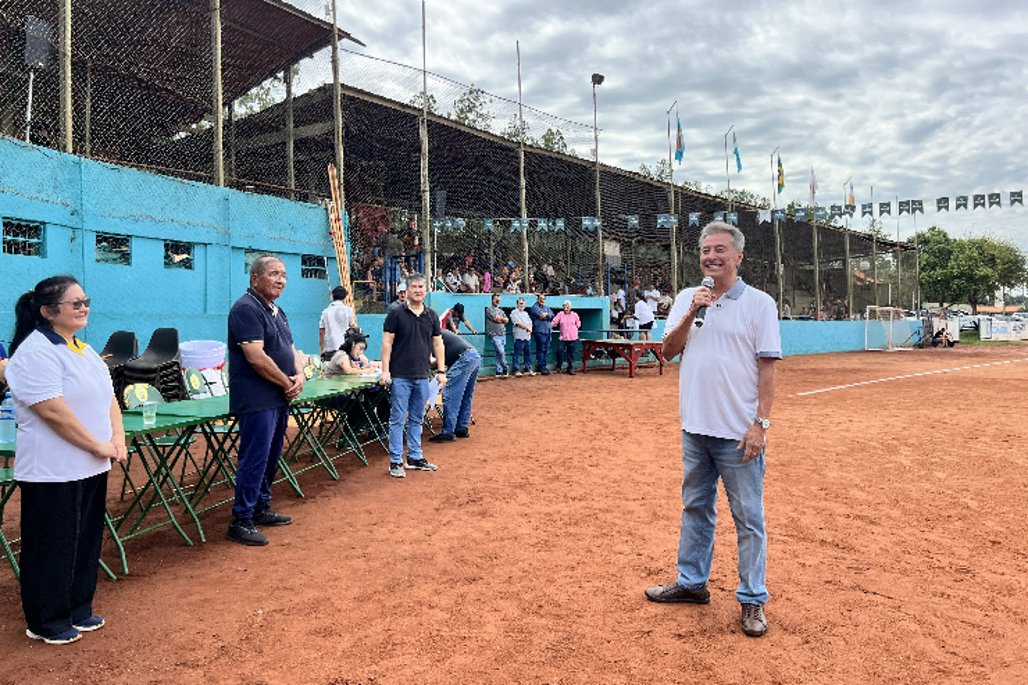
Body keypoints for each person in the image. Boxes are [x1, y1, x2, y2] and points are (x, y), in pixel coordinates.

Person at [645, 221, 781, 639]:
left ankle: (752, 598)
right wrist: (692, 310)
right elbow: (667, 351)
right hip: (695, 428)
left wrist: (760, 424)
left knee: (748, 517)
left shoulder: (759, 304)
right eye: (706, 250)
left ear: (739, 256)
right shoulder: (689, 298)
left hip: (738, 434)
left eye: (720, 249)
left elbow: (768, 367)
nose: (711, 257)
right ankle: (691, 583)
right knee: (695, 507)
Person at [5, 275, 128, 645]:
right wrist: (97, 445)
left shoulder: (84, 350)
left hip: (89, 465)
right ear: (47, 311)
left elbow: (109, 398)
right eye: (75, 303)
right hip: (52, 469)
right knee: (51, 544)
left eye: (85, 301)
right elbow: (52, 411)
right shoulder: (35, 352)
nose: (83, 308)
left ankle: (78, 607)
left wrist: (117, 439)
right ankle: (47, 620)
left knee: (84, 539)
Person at [226, 255, 306, 546]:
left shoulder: (277, 311)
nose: (281, 280)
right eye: (273, 274)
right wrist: (286, 382)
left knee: (271, 455)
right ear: (255, 278)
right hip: (257, 398)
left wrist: (300, 374)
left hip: (278, 396)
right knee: (255, 457)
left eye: (283, 275)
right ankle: (241, 519)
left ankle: (260, 507)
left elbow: (291, 348)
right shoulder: (246, 309)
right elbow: (256, 357)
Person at [380, 273, 446, 478]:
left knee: (417, 418)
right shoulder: (396, 314)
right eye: (414, 287)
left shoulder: (432, 315)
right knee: (398, 419)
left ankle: (415, 457)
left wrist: (441, 371)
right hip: (400, 376)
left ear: (426, 290)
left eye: (421, 287)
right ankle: (395, 461)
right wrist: (385, 371)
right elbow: (387, 343)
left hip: (422, 376)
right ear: (407, 290)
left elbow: (438, 344)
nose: (418, 290)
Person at [428, 330, 481, 443]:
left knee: (451, 394)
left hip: (463, 358)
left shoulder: (427, 336)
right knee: (465, 395)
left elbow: (431, 362)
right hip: (473, 356)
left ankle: (448, 432)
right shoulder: (437, 332)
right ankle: (461, 427)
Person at [318, 285, 356, 361]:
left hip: (330, 349)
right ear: (345, 297)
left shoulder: (325, 312)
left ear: (332, 296)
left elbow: (321, 332)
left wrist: (322, 349)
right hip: (344, 349)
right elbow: (352, 328)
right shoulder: (348, 310)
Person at [551, 300, 582, 375]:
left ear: (570, 307)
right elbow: (554, 322)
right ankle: (559, 366)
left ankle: (570, 368)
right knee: (559, 351)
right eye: (565, 306)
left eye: (568, 306)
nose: (567, 308)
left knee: (571, 354)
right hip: (563, 337)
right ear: (563, 307)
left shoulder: (574, 315)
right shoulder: (560, 314)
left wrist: (575, 328)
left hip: (572, 337)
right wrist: (550, 326)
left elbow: (578, 324)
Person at [484, 293, 510, 377]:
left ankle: (499, 371)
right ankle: (505, 368)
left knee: (499, 353)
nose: (498, 301)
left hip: (502, 333)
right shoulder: (489, 309)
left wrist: (502, 319)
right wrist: (502, 319)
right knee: (501, 352)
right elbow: (497, 319)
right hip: (494, 334)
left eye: (499, 299)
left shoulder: (501, 311)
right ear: (492, 300)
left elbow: (507, 320)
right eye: (496, 299)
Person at [529, 293, 554, 375]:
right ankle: (541, 367)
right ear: (537, 299)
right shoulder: (534, 307)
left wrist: (547, 315)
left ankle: (544, 366)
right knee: (541, 349)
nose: (542, 300)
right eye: (540, 298)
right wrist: (547, 315)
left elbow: (552, 315)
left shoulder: (546, 307)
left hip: (548, 331)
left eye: (543, 299)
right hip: (539, 331)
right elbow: (542, 315)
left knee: (546, 350)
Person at [509, 297, 533, 376]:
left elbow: (530, 322)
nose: (522, 305)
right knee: (517, 354)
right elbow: (518, 323)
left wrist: (530, 330)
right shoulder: (514, 312)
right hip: (519, 337)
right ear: (517, 304)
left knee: (528, 353)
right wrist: (528, 328)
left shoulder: (526, 313)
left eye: (523, 304)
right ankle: (516, 370)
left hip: (527, 337)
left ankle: (528, 368)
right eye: (520, 303)